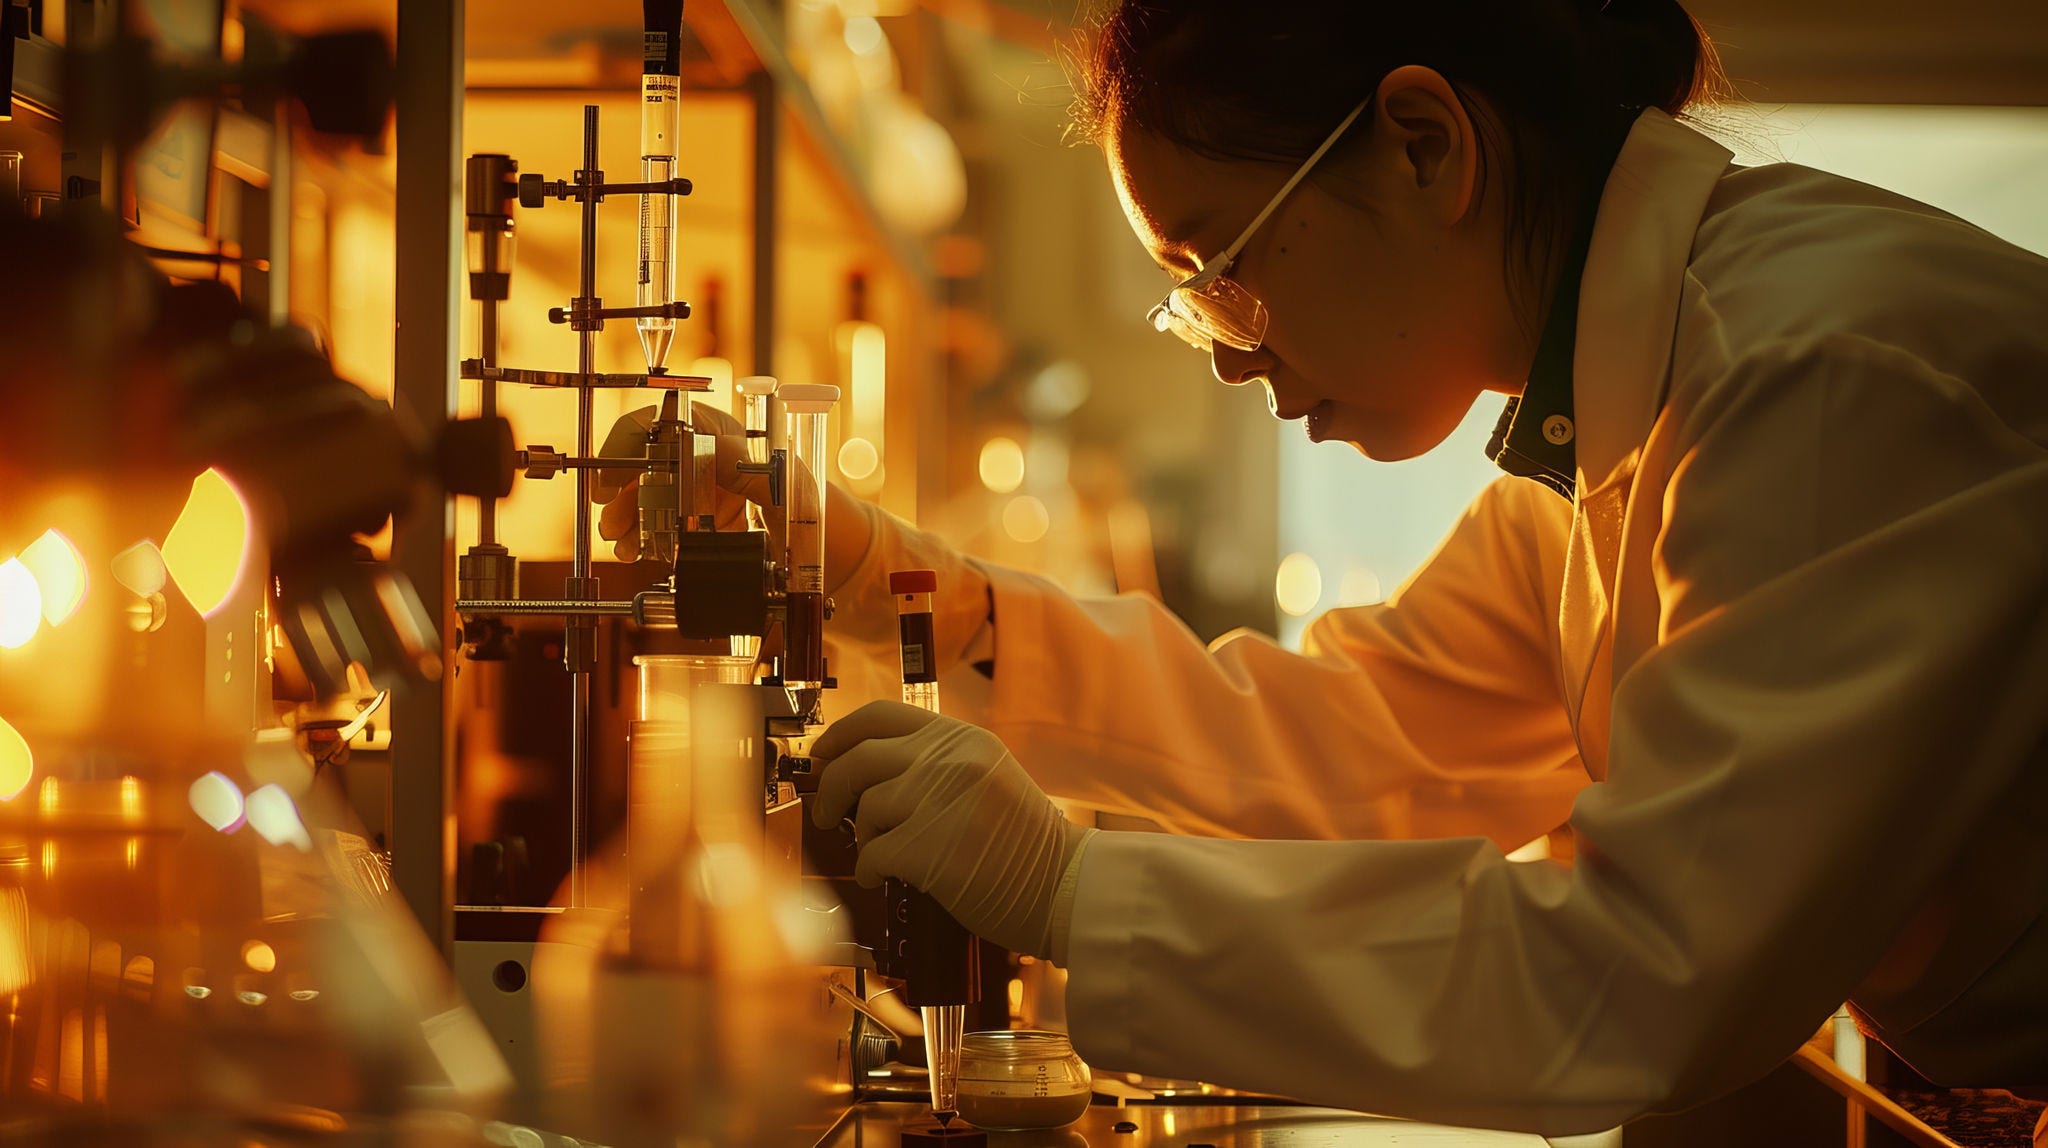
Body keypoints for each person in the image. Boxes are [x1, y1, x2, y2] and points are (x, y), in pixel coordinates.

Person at [610, 0, 2048, 1133]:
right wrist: (862, 567)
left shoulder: (1812, 380)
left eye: (1217, 270)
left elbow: (1623, 988)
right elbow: (1340, 742)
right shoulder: (1615, 416)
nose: (1232, 354)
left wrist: (1070, 894)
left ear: (1424, 144)